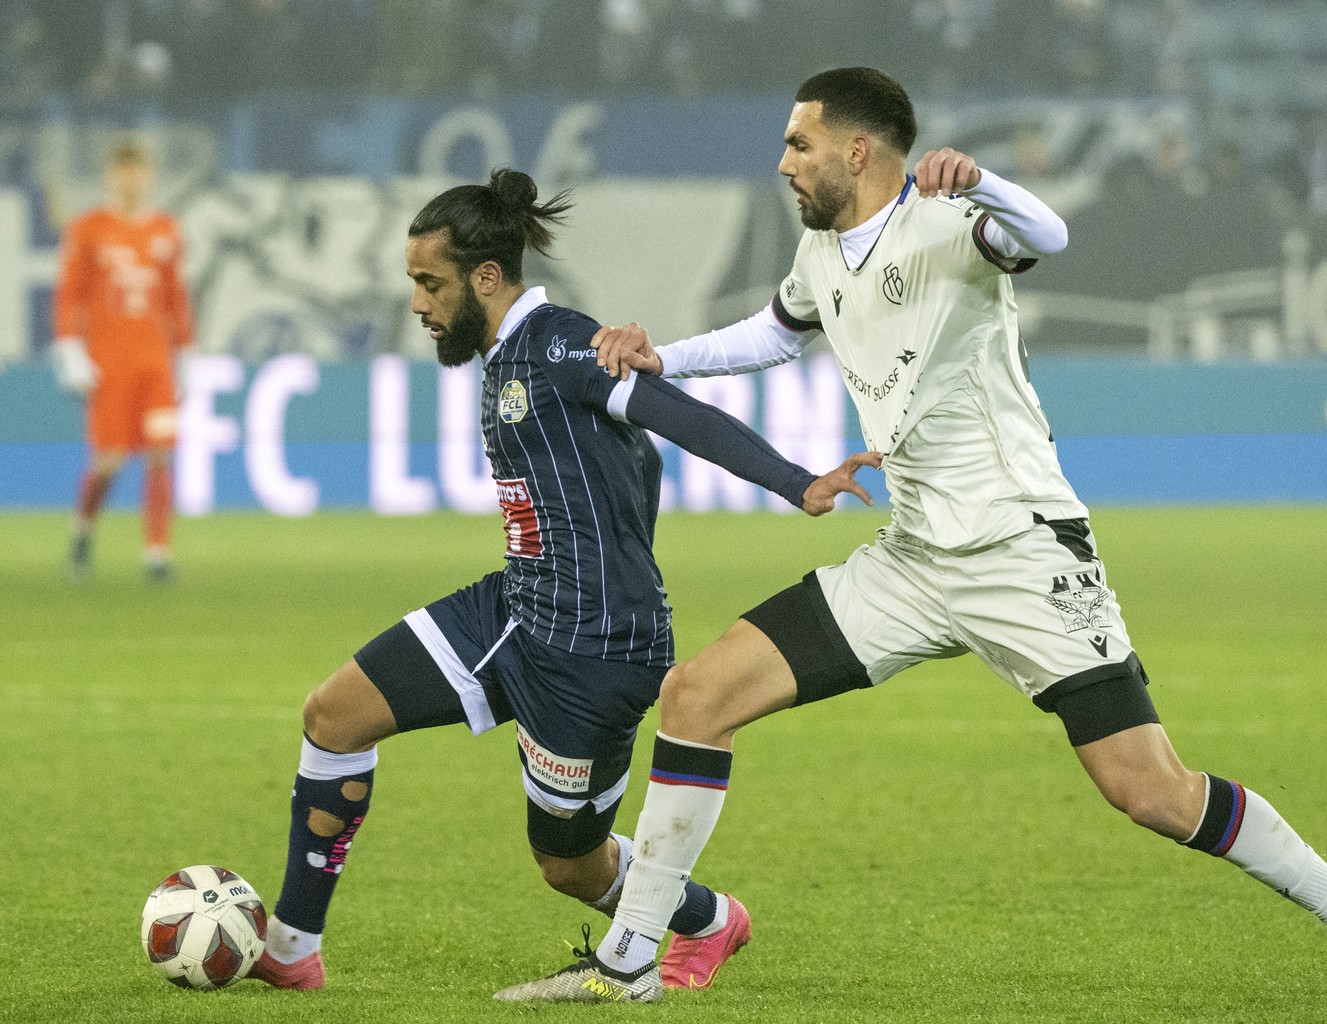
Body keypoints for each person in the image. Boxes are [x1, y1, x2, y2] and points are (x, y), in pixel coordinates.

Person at [500, 67, 1327, 1004]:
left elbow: (1051, 233)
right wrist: (668, 355)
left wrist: (984, 180)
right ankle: (628, 963)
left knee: (1151, 791)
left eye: (800, 143)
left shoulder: (951, 225)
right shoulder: (823, 253)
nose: (784, 163)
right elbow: (773, 334)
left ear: (857, 150)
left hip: (1021, 553)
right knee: (698, 696)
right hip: (912, 558)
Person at [247, 168, 879, 997]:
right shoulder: (505, 357)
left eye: (429, 283)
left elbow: (673, 417)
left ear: (484, 278)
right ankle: (293, 949)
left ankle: (705, 918)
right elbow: (635, 463)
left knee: (570, 865)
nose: (417, 303)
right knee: (333, 715)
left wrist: (797, 481)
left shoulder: (561, 344)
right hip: (513, 608)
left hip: (592, 651)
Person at [52, 135, 194, 582]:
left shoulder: (165, 230)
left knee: (160, 454)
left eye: (139, 169)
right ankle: (83, 529)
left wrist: (186, 353)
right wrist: (70, 350)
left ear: (148, 175)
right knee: (108, 461)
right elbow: (69, 295)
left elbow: (174, 299)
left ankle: (157, 553)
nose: (131, 179)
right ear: (110, 176)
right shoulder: (88, 229)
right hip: (108, 365)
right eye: (123, 169)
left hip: (154, 363)